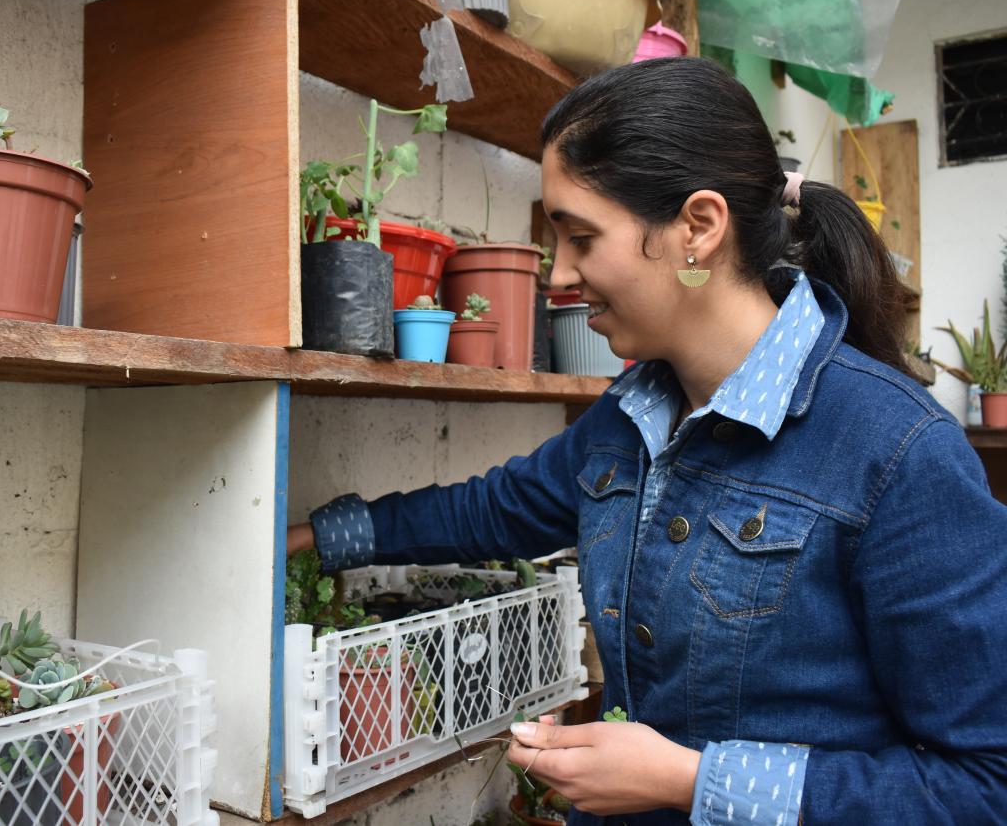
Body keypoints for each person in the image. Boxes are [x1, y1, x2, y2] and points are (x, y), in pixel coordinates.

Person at [287, 56, 1007, 825]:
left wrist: (694, 781)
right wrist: (316, 537)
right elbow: (494, 511)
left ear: (697, 229)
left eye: (580, 236)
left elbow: (984, 786)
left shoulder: (898, 453)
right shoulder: (633, 415)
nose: (559, 274)